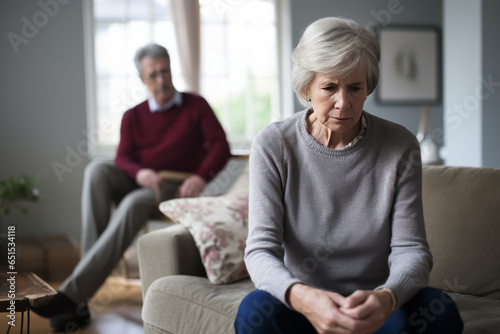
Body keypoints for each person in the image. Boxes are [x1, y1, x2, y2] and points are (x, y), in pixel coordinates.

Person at [235, 17, 463, 334]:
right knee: (254, 310)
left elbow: (411, 251)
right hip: (305, 307)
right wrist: (302, 297)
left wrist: (387, 298)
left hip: (375, 309)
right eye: (329, 87)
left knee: (440, 312)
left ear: (368, 86)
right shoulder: (274, 145)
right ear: (306, 88)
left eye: (355, 87)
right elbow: (260, 250)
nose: (344, 103)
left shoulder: (400, 146)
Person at [33, 43, 231, 332]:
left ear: (171, 70)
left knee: (133, 203)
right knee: (97, 170)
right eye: (153, 75)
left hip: (176, 184)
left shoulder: (195, 105)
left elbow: (220, 146)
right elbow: (122, 158)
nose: (161, 80)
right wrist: (139, 174)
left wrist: (201, 176)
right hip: (144, 181)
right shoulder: (133, 115)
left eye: (165, 71)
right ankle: (79, 294)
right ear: (142, 79)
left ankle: (74, 296)